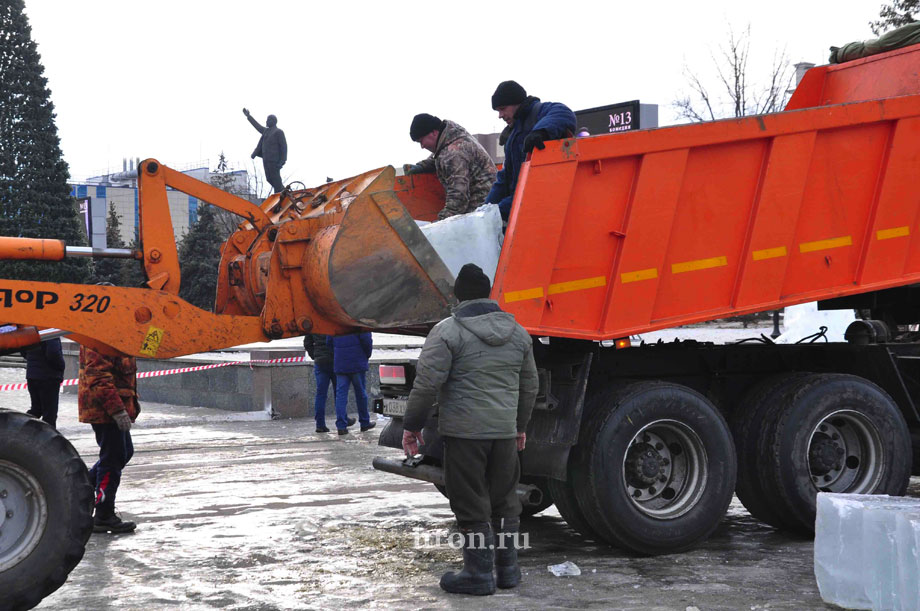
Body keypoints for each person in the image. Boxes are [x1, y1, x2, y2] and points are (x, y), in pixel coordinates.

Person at [402, 263, 538, 595]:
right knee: (505, 502)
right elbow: (530, 386)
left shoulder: (447, 331)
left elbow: (426, 385)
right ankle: (508, 571)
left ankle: (478, 575)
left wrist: (412, 427)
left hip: (465, 436)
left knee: (471, 504)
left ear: (457, 296)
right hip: (504, 435)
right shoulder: (518, 332)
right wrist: (519, 426)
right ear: (489, 293)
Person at [486, 80, 576, 221]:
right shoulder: (512, 137)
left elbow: (564, 112)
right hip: (525, 206)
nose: (500, 115)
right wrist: (486, 209)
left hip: (545, 205)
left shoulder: (538, 112)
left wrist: (541, 132)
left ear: (516, 102)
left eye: (503, 109)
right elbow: (504, 179)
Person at [78, 345, 140, 534]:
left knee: (123, 453)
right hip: (104, 409)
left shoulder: (117, 335)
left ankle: (80, 490)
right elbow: (98, 378)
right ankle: (104, 514)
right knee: (112, 458)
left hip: (111, 405)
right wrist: (117, 410)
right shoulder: (99, 337)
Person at [405, 113, 497, 220]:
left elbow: (458, 198)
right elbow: (440, 155)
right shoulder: (452, 137)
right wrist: (422, 166)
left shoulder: (454, 154)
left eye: (421, 141)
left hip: (481, 213)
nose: (422, 146)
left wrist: (440, 223)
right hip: (487, 205)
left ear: (434, 133)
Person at [327, 332, 374, 435]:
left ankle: (341, 426)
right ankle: (364, 422)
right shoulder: (358, 318)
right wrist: (366, 355)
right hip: (357, 362)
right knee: (361, 394)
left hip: (341, 363)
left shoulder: (335, 321)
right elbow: (366, 339)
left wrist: (338, 354)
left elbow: (329, 342)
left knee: (341, 396)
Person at [21, 337, 65, 428]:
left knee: (36, 409)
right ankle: (48, 439)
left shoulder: (30, 330)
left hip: (32, 375)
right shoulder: (50, 331)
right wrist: (61, 367)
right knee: (49, 414)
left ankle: (22, 429)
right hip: (48, 377)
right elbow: (53, 353)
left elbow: (23, 349)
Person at [242, 107, 288, 193]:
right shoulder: (266, 131)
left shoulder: (278, 132)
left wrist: (282, 161)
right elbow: (257, 126)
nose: (266, 121)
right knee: (269, 179)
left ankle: (280, 194)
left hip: (274, 161)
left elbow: (284, 147)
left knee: (276, 179)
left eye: (268, 120)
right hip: (266, 159)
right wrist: (249, 116)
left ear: (273, 121)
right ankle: (283, 191)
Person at [304, 333, 335, 433]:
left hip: (320, 362)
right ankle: (342, 421)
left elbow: (307, 342)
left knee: (320, 394)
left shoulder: (315, 323)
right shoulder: (334, 320)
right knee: (339, 393)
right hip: (334, 360)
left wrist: (315, 355)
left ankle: (320, 424)